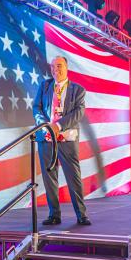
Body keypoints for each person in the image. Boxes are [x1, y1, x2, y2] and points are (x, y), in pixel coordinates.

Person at [33, 56, 90, 226]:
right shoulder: (44, 86)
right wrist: (43, 125)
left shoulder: (78, 90)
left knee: (73, 177)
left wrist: (58, 126)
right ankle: (54, 215)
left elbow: (78, 113)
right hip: (46, 138)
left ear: (66, 67)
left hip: (67, 138)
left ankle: (81, 214)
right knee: (49, 178)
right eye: (52, 67)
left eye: (59, 66)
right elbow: (37, 108)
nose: (55, 70)